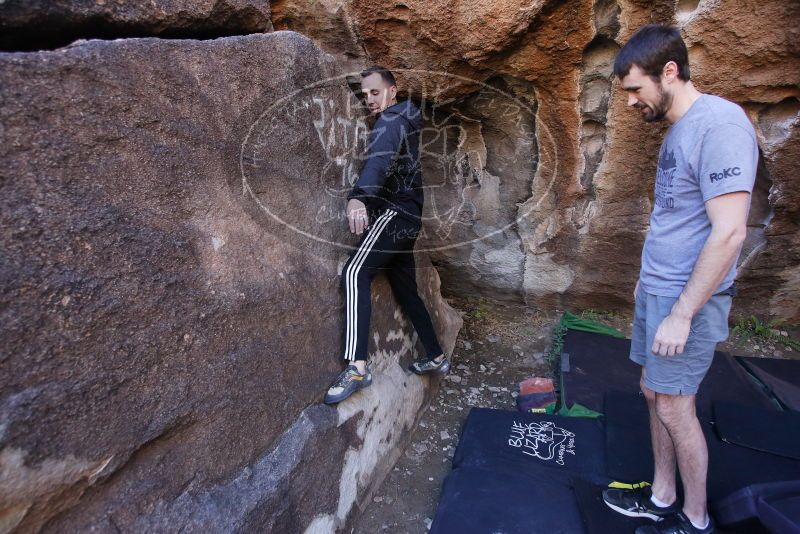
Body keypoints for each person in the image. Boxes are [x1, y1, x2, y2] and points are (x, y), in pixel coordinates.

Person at [601, 25, 757, 534]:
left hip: (685, 301)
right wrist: (647, 285)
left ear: (669, 71)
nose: (629, 102)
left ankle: (695, 518)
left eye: (633, 89)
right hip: (659, 290)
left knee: (675, 403)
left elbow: (730, 232)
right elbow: (677, 220)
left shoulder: (721, 125)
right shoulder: (678, 130)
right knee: (653, 393)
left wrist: (682, 312)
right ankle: (664, 494)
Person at [324, 66, 450, 405]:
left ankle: (357, 368)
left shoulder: (392, 120)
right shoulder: (405, 119)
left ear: (392, 91)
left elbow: (378, 162)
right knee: (407, 291)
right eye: (364, 95)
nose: (369, 101)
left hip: (394, 213)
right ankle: (436, 354)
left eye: (375, 93)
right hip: (409, 217)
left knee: (354, 272)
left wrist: (358, 197)